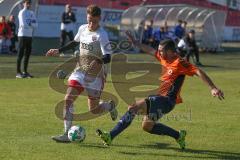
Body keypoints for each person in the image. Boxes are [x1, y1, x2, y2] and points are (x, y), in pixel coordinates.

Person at [96, 31, 224, 149]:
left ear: (170, 51)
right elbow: (150, 50)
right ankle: (178, 135)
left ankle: (110, 136)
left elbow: (198, 71)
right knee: (147, 126)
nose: (159, 52)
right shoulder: (163, 57)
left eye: (161, 50)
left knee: (133, 108)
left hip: (167, 100)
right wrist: (136, 43)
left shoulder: (180, 62)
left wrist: (213, 88)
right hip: (160, 98)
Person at [46, 5, 118, 143]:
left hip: (95, 76)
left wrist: (98, 60)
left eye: (94, 21)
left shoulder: (102, 35)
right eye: (89, 20)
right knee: (68, 99)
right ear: (87, 17)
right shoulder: (82, 28)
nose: (91, 24)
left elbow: (108, 57)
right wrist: (59, 50)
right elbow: (75, 43)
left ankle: (109, 106)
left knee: (94, 110)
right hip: (79, 71)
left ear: (99, 19)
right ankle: (66, 134)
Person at [16, 0, 37, 78]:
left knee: (27, 54)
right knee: (20, 54)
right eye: (27, 3)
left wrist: (30, 24)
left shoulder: (31, 13)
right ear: (23, 3)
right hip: (22, 35)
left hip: (29, 36)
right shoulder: (22, 12)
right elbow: (24, 24)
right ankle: (18, 72)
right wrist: (31, 24)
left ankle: (25, 72)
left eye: (29, 3)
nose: (28, 4)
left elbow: (36, 24)